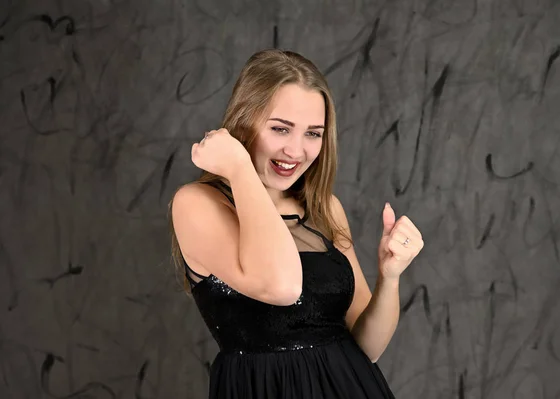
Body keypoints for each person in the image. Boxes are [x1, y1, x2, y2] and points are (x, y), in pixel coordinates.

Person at [169, 49, 424, 399]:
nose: (296, 150)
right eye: (280, 129)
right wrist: (240, 168)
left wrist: (390, 276)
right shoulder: (197, 204)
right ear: (244, 121)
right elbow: (283, 286)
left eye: (313, 134)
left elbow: (370, 347)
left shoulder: (324, 209)